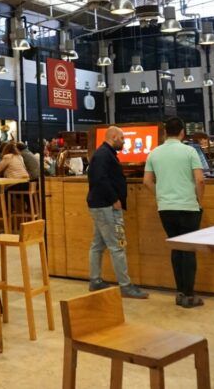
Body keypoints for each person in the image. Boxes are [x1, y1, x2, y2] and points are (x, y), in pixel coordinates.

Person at [144, 117, 205, 308]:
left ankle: (180, 292)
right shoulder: (189, 151)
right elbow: (200, 180)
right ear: (182, 133)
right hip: (188, 206)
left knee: (176, 248)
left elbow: (146, 181)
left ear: (164, 133)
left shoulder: (154, 153)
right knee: (188, 250)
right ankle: (188, 294)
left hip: (166, 208)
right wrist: (199, 200)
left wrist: (161, 194)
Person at [87, 126, 148, 299]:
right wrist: (114, 199)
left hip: (100, 205)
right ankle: (125, 285)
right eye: (122, 138)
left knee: (98, 245)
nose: (124, 141)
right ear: (113, 137)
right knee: (117, 246)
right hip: (106, 206)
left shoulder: (104, 154)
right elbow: (99, 179)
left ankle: (95, 280)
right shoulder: (103, 155)